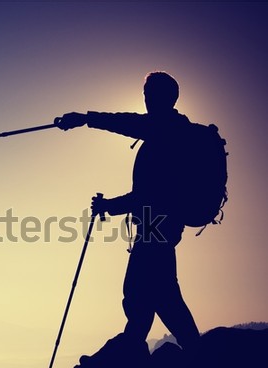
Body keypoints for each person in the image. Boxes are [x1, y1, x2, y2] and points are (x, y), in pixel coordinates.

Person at [55, 71, 200, 351]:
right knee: (154, 293)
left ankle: (159, 350)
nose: (146, 100)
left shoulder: (166, 132)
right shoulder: (171, 132)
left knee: (149, 293)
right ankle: (143, 346)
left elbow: (148, 194)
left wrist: (86, 119)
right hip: (159, 227)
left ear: (163, 98)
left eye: (150, 95)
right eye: (145, 95)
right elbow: (147, 192)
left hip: (156, 228)